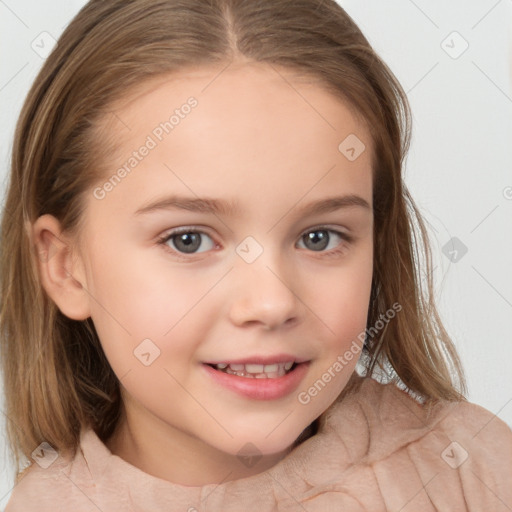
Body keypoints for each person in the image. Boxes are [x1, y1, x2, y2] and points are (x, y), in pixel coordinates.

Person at [1, 0, 511, 510]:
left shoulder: (476, 473)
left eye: (320, 237)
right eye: (188, 240)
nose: (271, 303)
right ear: (66, 267)